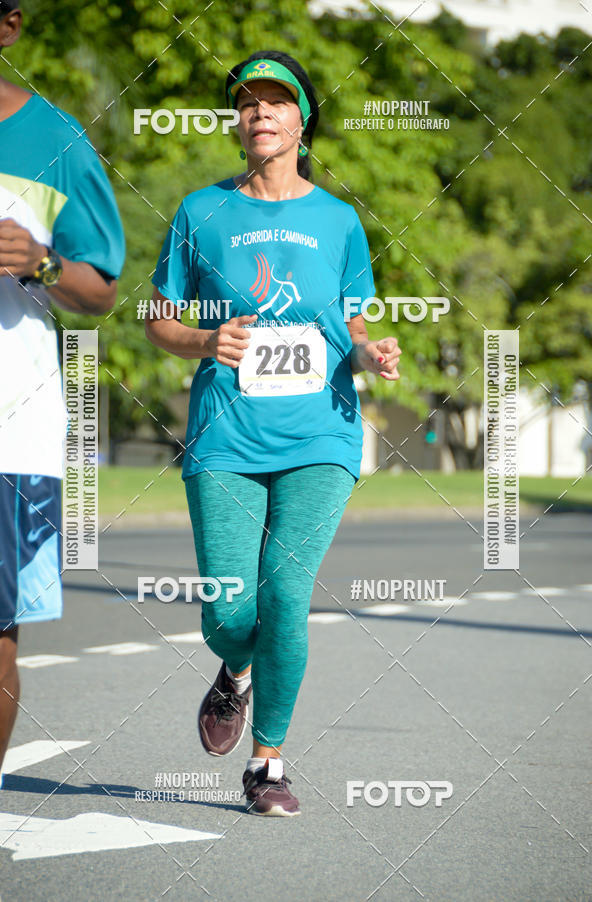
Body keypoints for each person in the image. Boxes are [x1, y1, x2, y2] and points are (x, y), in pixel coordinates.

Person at [146, 49, 401, 817]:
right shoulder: (201, 212)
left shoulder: (339, 220)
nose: (259, 111)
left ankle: (268, 765)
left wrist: (369, 350)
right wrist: (203, 341)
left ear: (301, 119)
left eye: (275, 101)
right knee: (229, 612)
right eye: (247, 102)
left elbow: (348, 324)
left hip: (321, 434)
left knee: (287, 594)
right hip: (225, 434)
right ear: (237, 121)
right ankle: (235, 670)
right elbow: (158, 319)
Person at [0, 0, 125, 891]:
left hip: (7, 427)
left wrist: (39, 263)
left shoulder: (55, 141)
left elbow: (104, 287)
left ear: (7, 24)